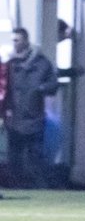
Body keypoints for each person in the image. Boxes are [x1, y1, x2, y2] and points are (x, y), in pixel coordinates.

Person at [3, 28, 59, 189]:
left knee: (35, 156)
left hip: (34, 117)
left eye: (17, 40)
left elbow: (52, 85)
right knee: (14, 158)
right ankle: (15, 186)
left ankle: (39, 187)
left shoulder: (41, 63)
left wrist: (40, 89)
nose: (14, 43)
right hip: (13, 118)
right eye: (13, 40)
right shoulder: (9, 64)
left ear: (26, 41)